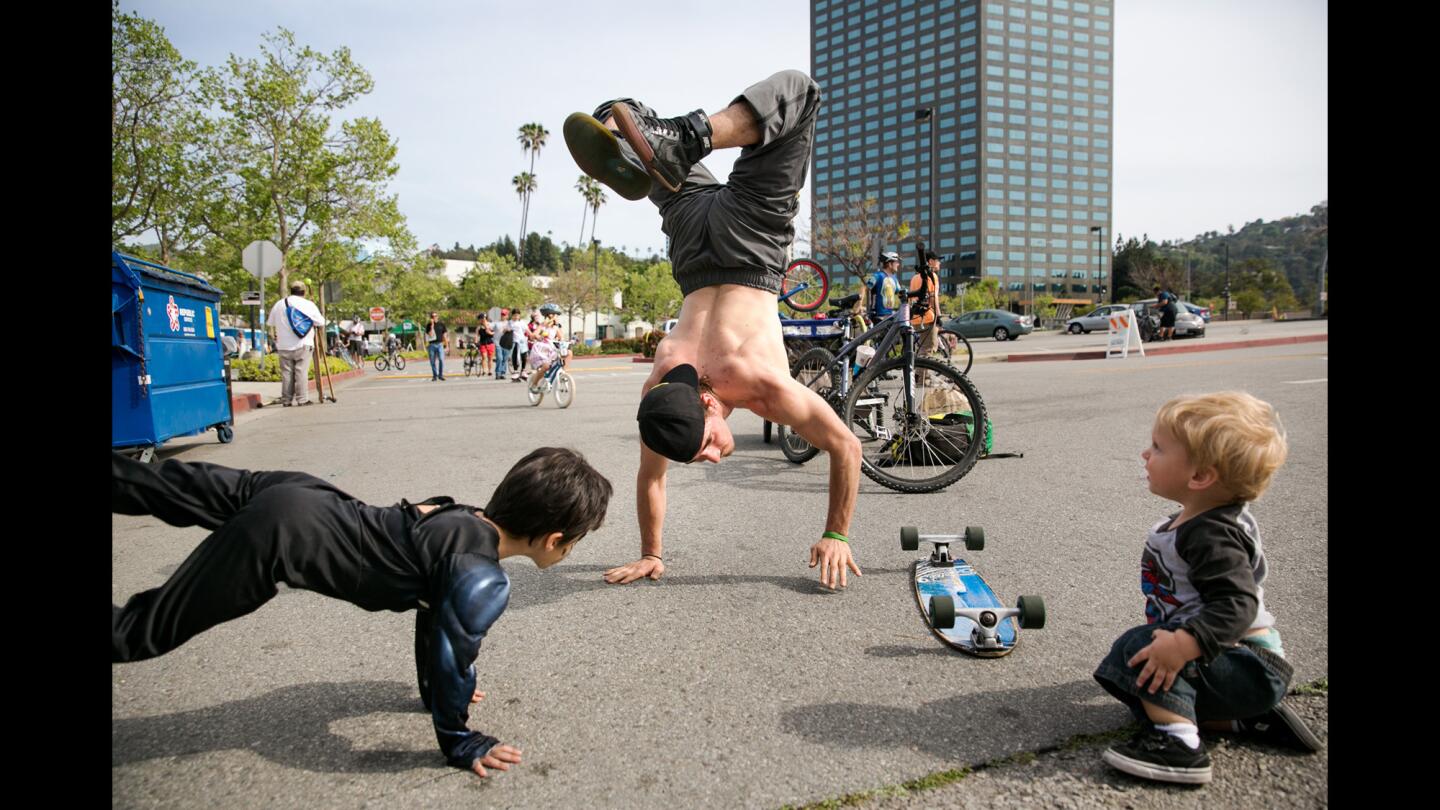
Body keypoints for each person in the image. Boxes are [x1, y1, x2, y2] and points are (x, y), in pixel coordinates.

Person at [112, 447, 613, 778]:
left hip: (301, 494)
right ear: (555, 540)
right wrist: (461, 740)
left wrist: (430, 692)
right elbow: (451, 658)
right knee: (137, 633)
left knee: (153, 483)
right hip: (281, 537)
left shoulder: (464, 518)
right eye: (576, 541)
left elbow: (434, 616)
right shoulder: (481, 576)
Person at [565, 70, 863, 590]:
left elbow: (846, 446)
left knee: (801, 94)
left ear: (707, 405)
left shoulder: (757, 385)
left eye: (702, 445)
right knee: (627, 117)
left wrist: (836, 534)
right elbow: (652, 476)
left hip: (752, 241)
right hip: (691, 238)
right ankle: (636, 134)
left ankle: (676, 139)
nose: (708, 457)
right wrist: (650, 554)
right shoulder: (659, 394)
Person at [1094, 392, 1322, 786]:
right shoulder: (1197, 520)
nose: (1146, 454)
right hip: (1233, 664)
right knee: (1130, 669)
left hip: (1247, 663)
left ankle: (1179, 745)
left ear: (1200, 476)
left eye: (1159, 448)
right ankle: (1242, 718)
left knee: (1138, 652)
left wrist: (1184, 643)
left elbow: (1238, 606)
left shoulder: (1213, 534)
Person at [266, 281, 327, 407]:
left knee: (286, 373)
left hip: (283, 345)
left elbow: (270, 323)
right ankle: (302, 399)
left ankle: (287, 400)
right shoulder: (308, 304)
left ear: (291, 290)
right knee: (301, 372)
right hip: (303, 343)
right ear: (304, 292)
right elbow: (321, 322)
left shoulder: (279, 304)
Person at [909, 250, 942, 357]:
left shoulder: (914, 278)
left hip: (915, 318)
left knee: (921, 347)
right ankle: (919, 374)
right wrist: (938, 316)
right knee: (929, 347)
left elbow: (911, 299)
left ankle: (924, 374)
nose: (939, 263)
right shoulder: (932, 276)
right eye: (938, 261)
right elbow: (933, 297)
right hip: (927, 316)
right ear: (931, 261)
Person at [525, 306, 566, 391]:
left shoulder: (556, 327)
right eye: (554, 315)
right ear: (548, 316)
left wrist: (563, 339)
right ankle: (534, 383)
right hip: (541, 350)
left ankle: (564, 373)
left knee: (568, 353)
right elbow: (533, 335)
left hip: (551, 349)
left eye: (556, 316)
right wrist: (538, 336)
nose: (556, 317)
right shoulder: (543, 326)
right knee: (546, 366)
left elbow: (562, 338)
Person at [862, 251, 902, 324]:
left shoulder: (894, 279)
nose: (898, 264)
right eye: (896, 262)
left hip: (890, 316)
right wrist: (860, 305)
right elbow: (865, 287)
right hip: (878, 317)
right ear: (890, 264)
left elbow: (901, 294)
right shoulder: (877, 276)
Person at [425, 312, 448, 381]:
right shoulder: (428, 325)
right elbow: (431, 335)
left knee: (441, 359)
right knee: (432, 361)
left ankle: (440, 375)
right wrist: (432, 325)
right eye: (432, 316)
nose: (434, 317)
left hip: (440, 344)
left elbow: (445, 336)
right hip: (432, 345)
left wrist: (446, 345)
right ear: (431, 318)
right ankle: (435, 375)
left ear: (437, 316)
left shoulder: (442, 324)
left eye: (435, 316)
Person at [509, 310, 530, 382]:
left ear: (519, 315)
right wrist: (506, 330)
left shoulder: (522, 323)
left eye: (517, 315)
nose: (516, 317)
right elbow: (504, 331)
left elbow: (528, 331)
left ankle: (523, 370)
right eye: (514, 315)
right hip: (514, 342)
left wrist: (533, 336)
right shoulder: (510, 323)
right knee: (514, 356)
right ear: (512, 315)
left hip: (522, 341)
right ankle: (515, 371)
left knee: (524, 356)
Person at [495, 309, 515, 381]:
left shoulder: (509, 323)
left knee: (505, 358)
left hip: (506, 343)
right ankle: (498, 373)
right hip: (498, 343)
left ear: (507, 316)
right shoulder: (496, 323)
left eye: (504, 314)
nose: (503, 316)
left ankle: (503, 373)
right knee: (500, 358)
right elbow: (490, 328)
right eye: (502, 314)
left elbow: (513, 329)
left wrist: (508, 329)